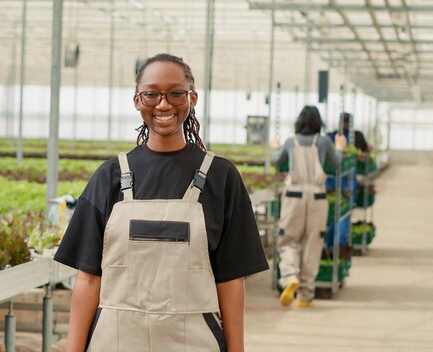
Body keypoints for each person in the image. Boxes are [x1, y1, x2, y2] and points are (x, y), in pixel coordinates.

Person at [54, 53, 268, 352]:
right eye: (152, 94)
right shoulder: (110, 177)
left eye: (175, 93)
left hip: (194, 342)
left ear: (192, 98)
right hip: (115, 342)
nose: (163, 104)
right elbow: (88, 280)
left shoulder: (221, 177)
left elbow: (231, 280)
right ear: (137, 101)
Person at [272, 106, 346, 308]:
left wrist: (276, 147)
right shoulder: (323, 142)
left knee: (288, 239)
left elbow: (277, 162)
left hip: (294, 197)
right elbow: (337, 164)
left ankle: (289, 277)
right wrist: (339, 146)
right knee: (313, 243)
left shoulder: (290, 141)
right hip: (317, 197)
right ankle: (306, 295)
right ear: (318, 123)